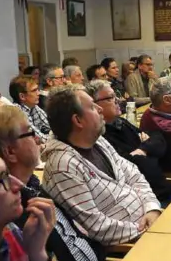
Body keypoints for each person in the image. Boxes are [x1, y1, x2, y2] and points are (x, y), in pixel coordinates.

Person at [0, 106, 104, 261]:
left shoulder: (33, 184)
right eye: (30, 133)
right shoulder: (10, 214)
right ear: (10, 151)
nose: (38, 138)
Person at [41, 86, 162, 245]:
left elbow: (134, 176)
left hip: (150, 222)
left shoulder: (98, 141)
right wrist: (145, 230)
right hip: (131, 245)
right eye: (92, 106)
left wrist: (152, 209)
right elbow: (95, 227)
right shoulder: (63, 166)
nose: (100, 109)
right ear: (78, 120)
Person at [85, 80, 171, 207]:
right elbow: (132, 164)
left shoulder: (120, 122)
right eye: (111, 98)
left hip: (165, 189)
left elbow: (159, 140)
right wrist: (147, 151)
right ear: (95, 105)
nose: (118, 100)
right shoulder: (99, 137)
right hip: (149, 202)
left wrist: (142, 150)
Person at [10, 76, 50, 144]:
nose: (38, 93)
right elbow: (42, 139)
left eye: (38, 89)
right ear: (22, 96)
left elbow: (50, 127)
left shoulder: (33, 106)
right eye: (34, 91)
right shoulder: (17, 113)